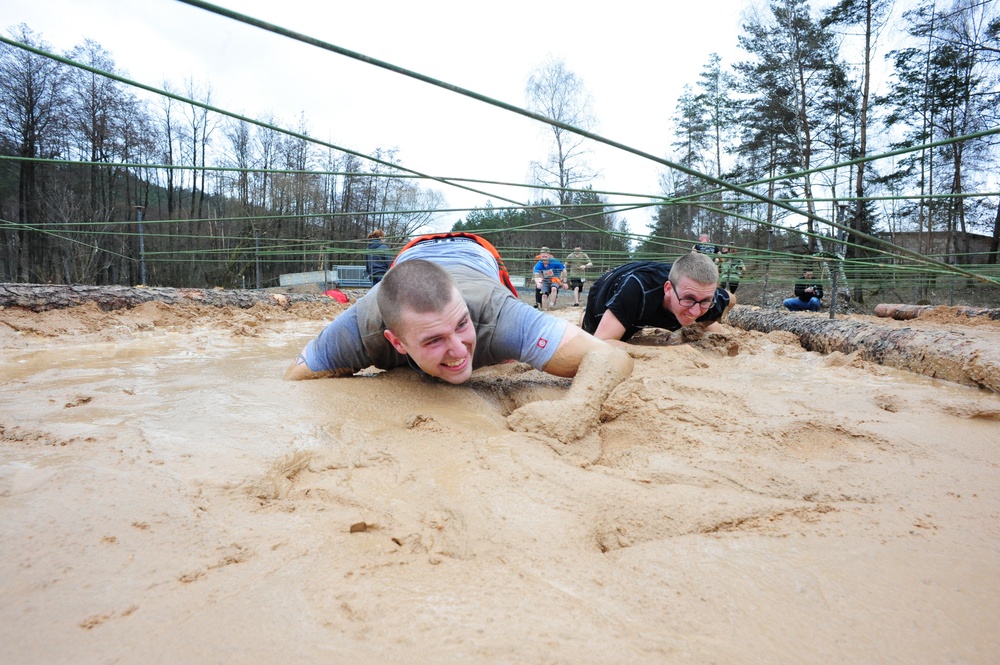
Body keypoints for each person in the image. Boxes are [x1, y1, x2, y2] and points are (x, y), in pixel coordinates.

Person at [285, 233, 633, 442]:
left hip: (477, 255)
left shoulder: (499, 316)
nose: (458, 350)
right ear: (396, 343)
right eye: (433, 340)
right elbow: (295, 381)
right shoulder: (359, 330)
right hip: (409, 257)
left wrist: (577, 410)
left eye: (462, 326)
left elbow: (609, 357)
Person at [581, 252, 734, 343]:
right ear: (668, 289)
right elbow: (602, 343)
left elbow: (731, 299)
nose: (695, 311)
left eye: (705, 300)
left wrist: (711, 319)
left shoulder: (705, 294)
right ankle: (583, 317)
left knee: (712, 327)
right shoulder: (636, 291)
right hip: (609, 283)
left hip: (667, 284)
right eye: (689, 299)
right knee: (592, 337)